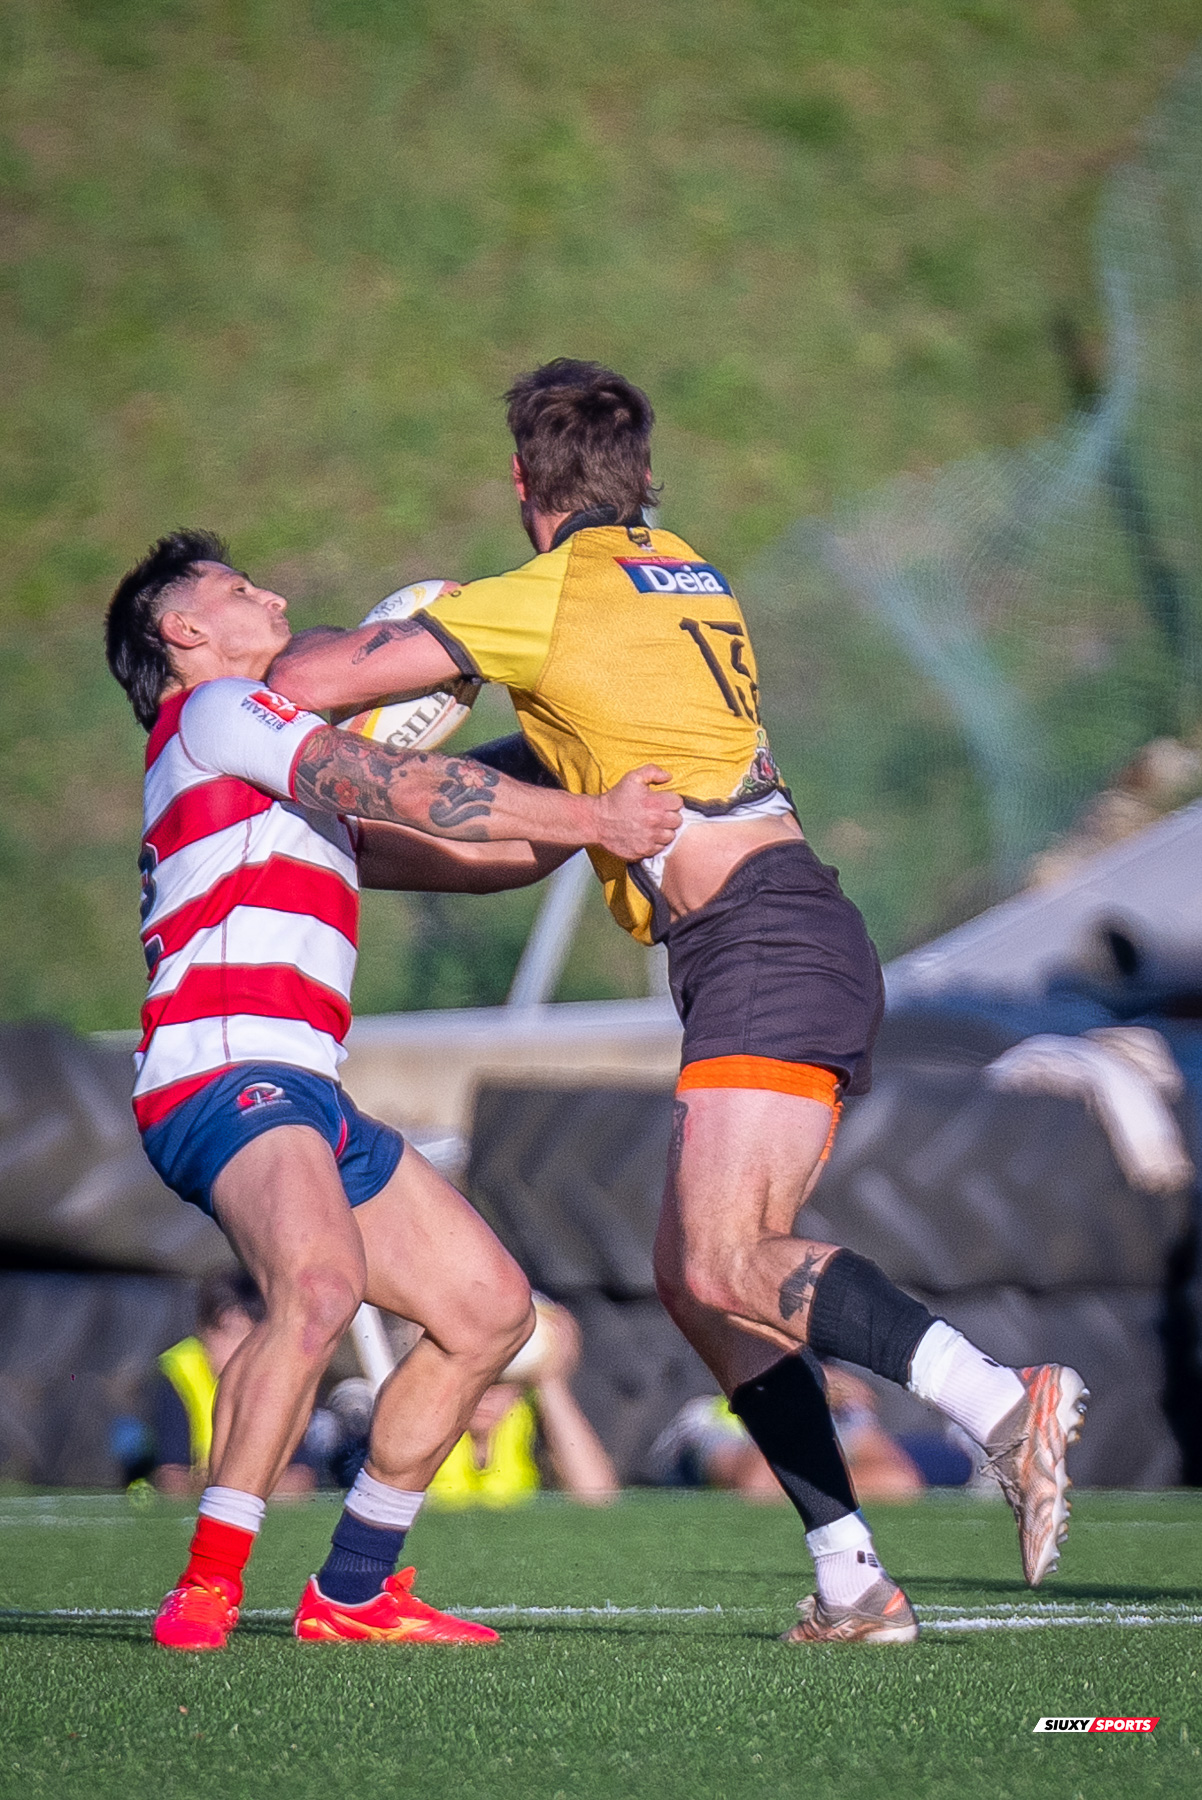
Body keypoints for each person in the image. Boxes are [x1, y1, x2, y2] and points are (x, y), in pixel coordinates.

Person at [269, 361, 1089, 1644]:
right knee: (694, 1278)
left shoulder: (540, 599)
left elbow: (313, 689)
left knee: (722, 1259)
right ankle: (849, 1581)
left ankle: (995, 1400)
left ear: (519, 483)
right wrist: (361, 838)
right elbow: (531, 830)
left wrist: (370, 643)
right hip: (779, 937)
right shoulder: (680, 578)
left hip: (761, 942)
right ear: (642, 478)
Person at [103, 528, 681, 1653]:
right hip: (220, 1070)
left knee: (488, 1314)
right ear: (183, 633)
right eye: (236, 588)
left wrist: (577, 767)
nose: (269, 590)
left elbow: (468, 845)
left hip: (301, 1083)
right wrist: (595, 820)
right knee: (317, 1289)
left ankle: (355, 1587)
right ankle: (209, 1588)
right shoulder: (223, 715)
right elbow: (402, 783)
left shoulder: (269, 768)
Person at [649, 1366, 925, 1504]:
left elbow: (901, 1482)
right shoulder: (707, 1417)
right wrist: (788, 1402)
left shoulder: (831, 1409)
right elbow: (758, 1486)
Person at [153, 1272, 318, 1498]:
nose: (237, 1347)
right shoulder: (179, 1373)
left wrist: (226, 1485)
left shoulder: (280, 1379)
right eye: (227, 1332)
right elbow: (170, 1480)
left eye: (247, 1333)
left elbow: (300, 1480)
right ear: (203, 1331)